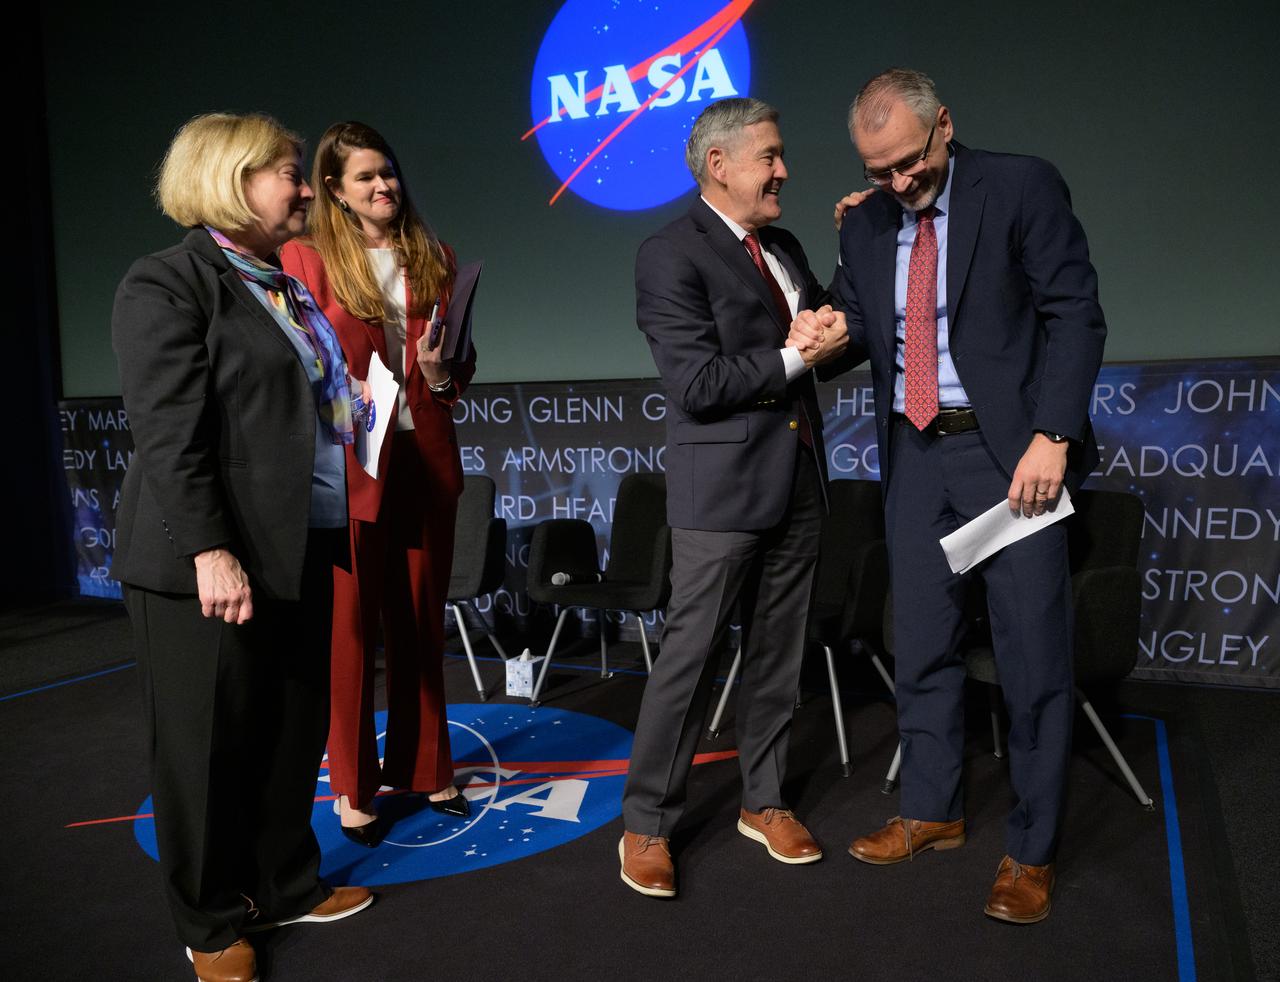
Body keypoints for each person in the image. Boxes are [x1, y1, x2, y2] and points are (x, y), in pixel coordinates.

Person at [792, 68, 1106, 923]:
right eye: (879, 170)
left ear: (944, 126)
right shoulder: (866, 221)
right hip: (914, 455)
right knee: (922, 643)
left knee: (1032, 658)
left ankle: (1032, 850)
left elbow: (1075, 314)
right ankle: (932, 809)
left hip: (1011, 456)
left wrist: (1054, 435)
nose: (899, 182)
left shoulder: (1021, 186)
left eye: (909, 162)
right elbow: (861, 327)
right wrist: (826, 332)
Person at [112, 112, 373, 982]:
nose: (306, 189)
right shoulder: (165, 282)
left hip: (297, 541)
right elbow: (168, 432)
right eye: (290, 173)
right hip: (206, 560)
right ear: (232, 181)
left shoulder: (281, 284)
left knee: (289, 731)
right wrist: (210, 549)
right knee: (205, 748)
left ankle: (285, 882)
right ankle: (209, 919)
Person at [618, 97, 849, 898]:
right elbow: (697, 383)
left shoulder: (783, 246)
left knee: (780, 655)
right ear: (719, 164)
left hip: (799, 480)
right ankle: (647, 823)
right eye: (770, 157)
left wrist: (854, 257)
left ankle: (765, 800)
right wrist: (795, 356)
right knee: (691, 659)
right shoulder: (669, 253)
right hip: (721, 493)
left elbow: (825, 341)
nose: (784, 170)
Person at [281, 121, 476, 847]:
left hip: (425, 456)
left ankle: (429, 768)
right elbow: (299, 362)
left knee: (421, 619)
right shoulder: (306, 258)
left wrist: (441, 374)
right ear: (334, 189)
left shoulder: (434, 255)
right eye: (365, 177)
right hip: (351, 462)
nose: (383, 186)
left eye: (387, 172)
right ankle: (353, 786)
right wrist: (345, 397)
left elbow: (458, 363)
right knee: (352, 630)